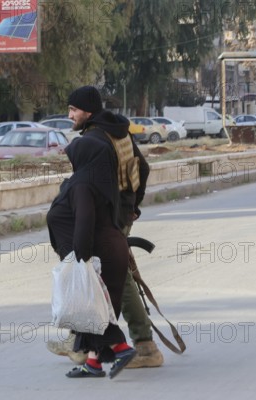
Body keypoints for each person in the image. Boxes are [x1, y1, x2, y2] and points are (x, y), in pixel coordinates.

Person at [46, 85, 163, 369]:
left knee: (111, 277)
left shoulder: (97, 137)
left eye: (74, 110)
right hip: (119, 211)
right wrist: (133, 205)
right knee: (100, 274)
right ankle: (83, 342)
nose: (70, 115)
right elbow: (142, 168)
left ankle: (143, 345)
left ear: (88, 111)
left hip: (107, 216)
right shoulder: (116, 131)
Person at [46, 127, 136, 379]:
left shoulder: (84, 184)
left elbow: (85, 222)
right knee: (91, 308)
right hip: (106, 250)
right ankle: (93, 363)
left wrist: (80, 259)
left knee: (90, 306)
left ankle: (121, 347)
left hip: (98, 254)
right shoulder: (94, 181)